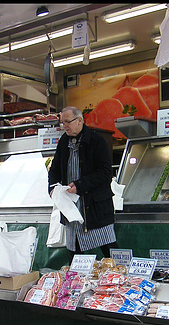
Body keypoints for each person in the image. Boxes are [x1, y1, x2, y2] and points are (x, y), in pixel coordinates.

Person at [48, 106, 118, 263]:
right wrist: (53, 187)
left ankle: (120, 279)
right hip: (72, 207)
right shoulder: (63, 142)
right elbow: (54, 170)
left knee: (109, 250)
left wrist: (80, 185)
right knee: (75, 251)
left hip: (95, 207)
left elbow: (105, 173)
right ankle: (75, 283)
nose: (64, 126)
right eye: (62, 123)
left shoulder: (96, 141)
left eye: (67, 122)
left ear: (79, 121)